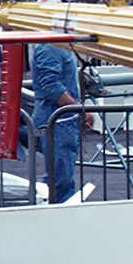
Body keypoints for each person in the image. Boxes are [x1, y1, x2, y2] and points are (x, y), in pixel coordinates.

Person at [31, 42, 95, 203]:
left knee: (60, 174)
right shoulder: (51, 48)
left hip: (60, 119)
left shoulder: (54, 47)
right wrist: (79, 109)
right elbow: (51, 87)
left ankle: (54, 207)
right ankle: (58, 213)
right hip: (58, 121)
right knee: (61, 178)